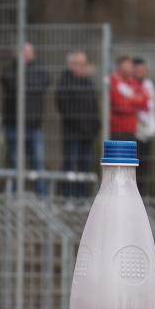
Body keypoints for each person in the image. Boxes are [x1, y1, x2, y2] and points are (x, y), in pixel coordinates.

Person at [0, 42, 50, 196]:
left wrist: (25, 83)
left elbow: (44, 83)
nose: (26, 55)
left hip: (34, 124)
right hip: (13, 123)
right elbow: (12, 84)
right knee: (14, 160)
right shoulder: (9, 70)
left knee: (38, 160)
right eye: (23, 52)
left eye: (28, 52)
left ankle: (42, 194)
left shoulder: (40, 70)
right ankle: (14, 192)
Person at [55, 51, 100, 198]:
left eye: (84, 64)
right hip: (72, 133)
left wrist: (95, 126)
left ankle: (82, 197)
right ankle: (67, 196)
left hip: (88, 134)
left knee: (85, 167)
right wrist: (81, 125)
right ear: (71, 65)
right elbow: (64, 108)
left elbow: (94, 106)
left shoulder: (88, 83)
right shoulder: (65, 82)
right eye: (79, 64)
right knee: (70, 164)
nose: (83, 67)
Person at [133, 57, 155, 194]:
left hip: (147, 132)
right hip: (134, 132)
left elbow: (150, 107)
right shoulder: (131, 85)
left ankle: (142, 196)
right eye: (138, 70)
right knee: (133, 167)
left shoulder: (149, 86)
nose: (141, 72)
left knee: (145, 165)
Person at [109, 56, 148, 143]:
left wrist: (130, 100)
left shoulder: (133, 82)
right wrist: (135, 101)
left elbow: (144, 102)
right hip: (117, 130)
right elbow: (119, 106)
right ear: (120, 67)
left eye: (130, 66)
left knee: (131, 155)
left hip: (132, 129)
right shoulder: (114, 82)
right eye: (126, 66)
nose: (130, 69)